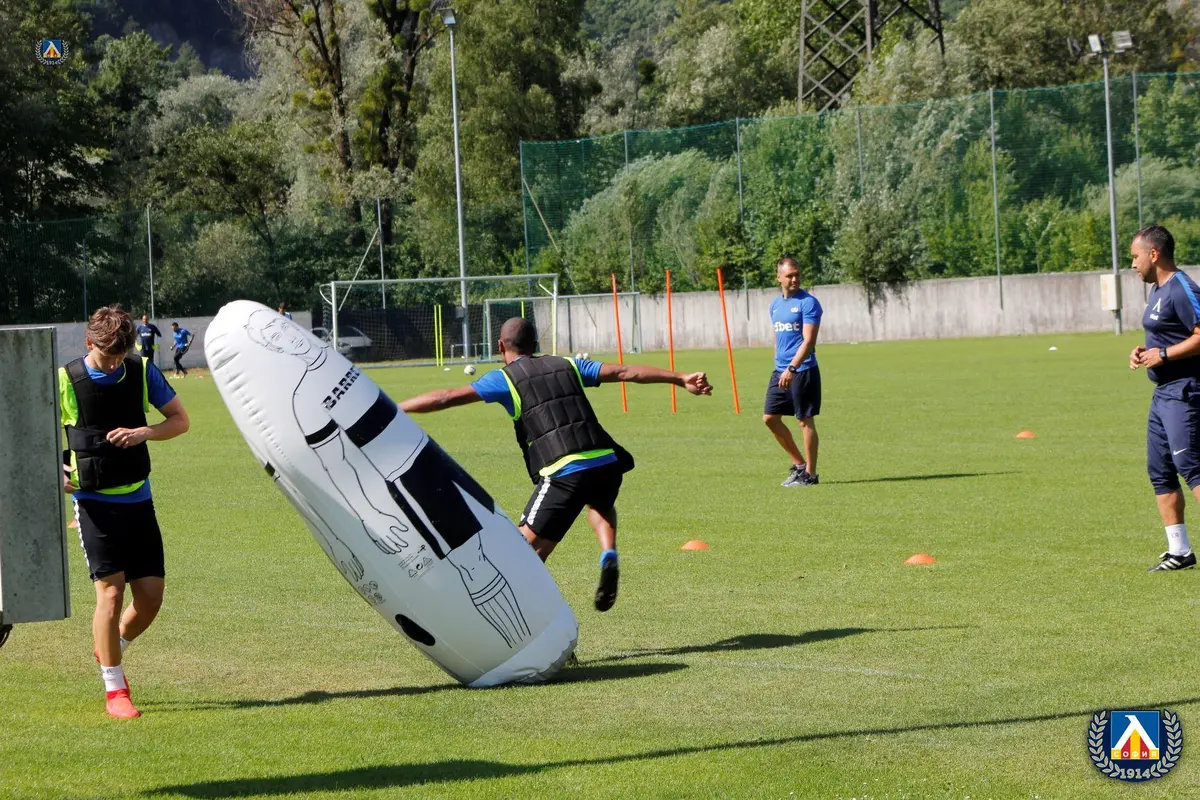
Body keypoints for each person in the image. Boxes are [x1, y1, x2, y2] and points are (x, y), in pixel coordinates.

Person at [400, 318, 712, 612]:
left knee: (520, 553)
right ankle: (608, 552)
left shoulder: (505, 378)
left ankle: (537, 618)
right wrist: (680, 378)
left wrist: (396, 407)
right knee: (598, 505)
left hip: (564, 471)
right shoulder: (568, 363)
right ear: (536, 343)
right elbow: (623, 371)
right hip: (605, 462)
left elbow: (447, 397)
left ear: (500, 346)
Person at [60, 305, 190, 718]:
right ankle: (115, 689)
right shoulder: (66, 379)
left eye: (120, 356)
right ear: (89, 342)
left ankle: (110, 646)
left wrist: (144, 432)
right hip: (93, 504)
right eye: (107, 356)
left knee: (149, 600)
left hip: (138, 499)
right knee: (111, 593)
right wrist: (55, 470)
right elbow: (28, 433)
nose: (114, 363)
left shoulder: (141, 370)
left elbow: (180, 420)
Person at [1129, 225, 1200, 571]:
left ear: (1153, 254)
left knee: (1192, 467)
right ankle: (1180, 551)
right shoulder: (1157, 290)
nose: (1132, 264)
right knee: (1160, 471)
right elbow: (1167, 336)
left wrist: (1166, 355)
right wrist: (1144, 352)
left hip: (1186, 390)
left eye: (1135, 256)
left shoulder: (1182, 288)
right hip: (1163, 394)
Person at [764, 257, 823, 487]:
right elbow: (779, 338)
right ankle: (799, 465)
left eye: (797, 274)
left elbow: (808, 341)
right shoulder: (775, 306)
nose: (795, 279)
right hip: (780, 369)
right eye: (789, 275)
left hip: (803, 369)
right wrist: (780, 364)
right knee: (770, 418)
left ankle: (811, 474)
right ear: (779, 277)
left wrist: (792, 368)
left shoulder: (808, 303)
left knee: (804, 421)